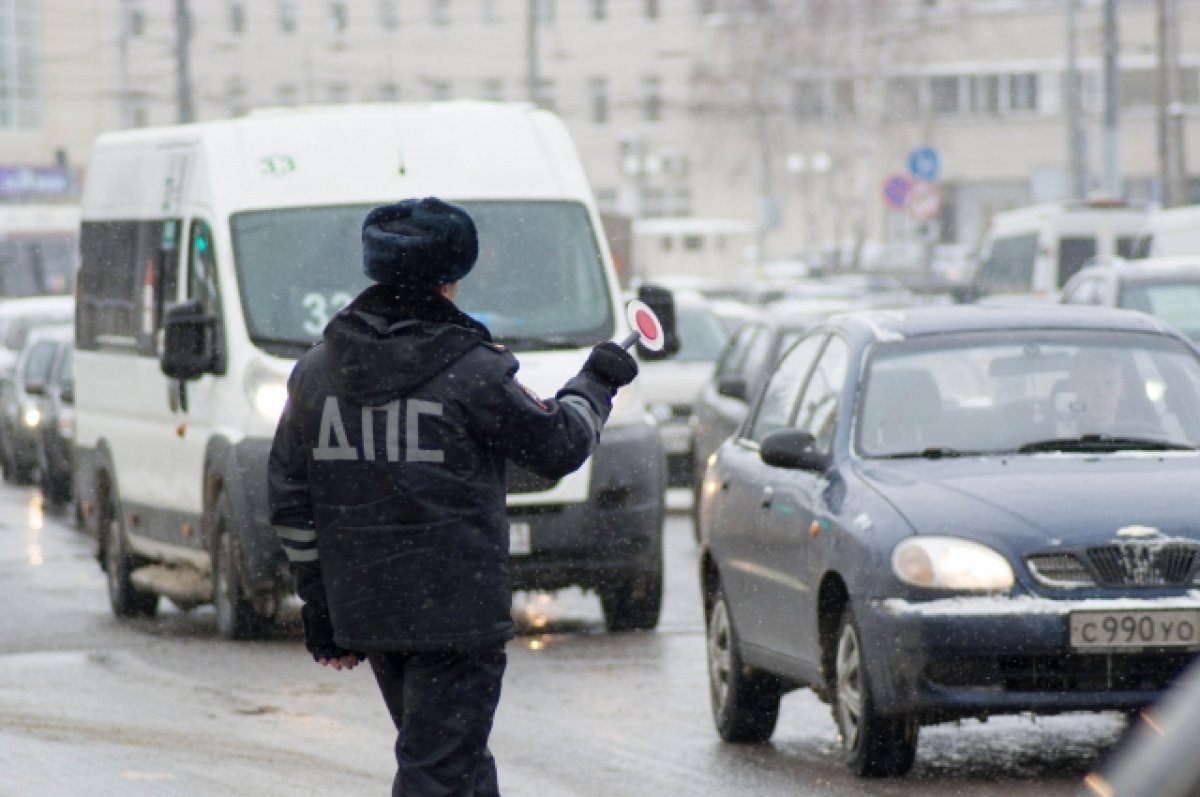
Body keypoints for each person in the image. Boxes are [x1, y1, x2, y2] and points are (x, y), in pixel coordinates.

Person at [267, 196, 639, 796]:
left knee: (454, 761)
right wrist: (597, 382)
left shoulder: (316, 373)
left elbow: (289, 497)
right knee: (438, 770)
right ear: (451, 279)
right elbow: (559, 446)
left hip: (370, 606)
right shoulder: (472, 372)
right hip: (454, 613)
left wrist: (322, 607)